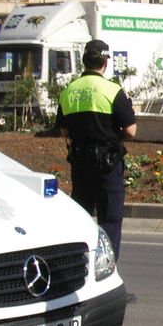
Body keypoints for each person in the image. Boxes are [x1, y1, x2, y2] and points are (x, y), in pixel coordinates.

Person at [58, 39, 137, 258]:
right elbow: (131, 131)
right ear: (105, 62)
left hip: (80, 164)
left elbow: (64, 132)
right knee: (110, 220)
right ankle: (107, 272)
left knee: (81, 217)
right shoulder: (112, 91)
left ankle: (79, 266)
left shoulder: (69, 91)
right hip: (107, 165)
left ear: (84, 61)